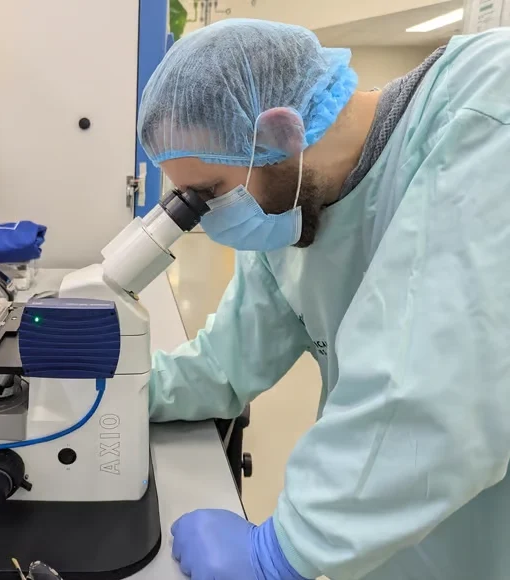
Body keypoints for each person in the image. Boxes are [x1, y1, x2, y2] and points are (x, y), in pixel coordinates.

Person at [138, 18, 510, 580]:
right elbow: (225, 364)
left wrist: (281, 552)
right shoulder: (290, 206)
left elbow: (435, 389)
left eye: (209, 194)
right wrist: (124, 387)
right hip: (389, 539)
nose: (208, 221)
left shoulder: (487, 109)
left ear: (279, 133)